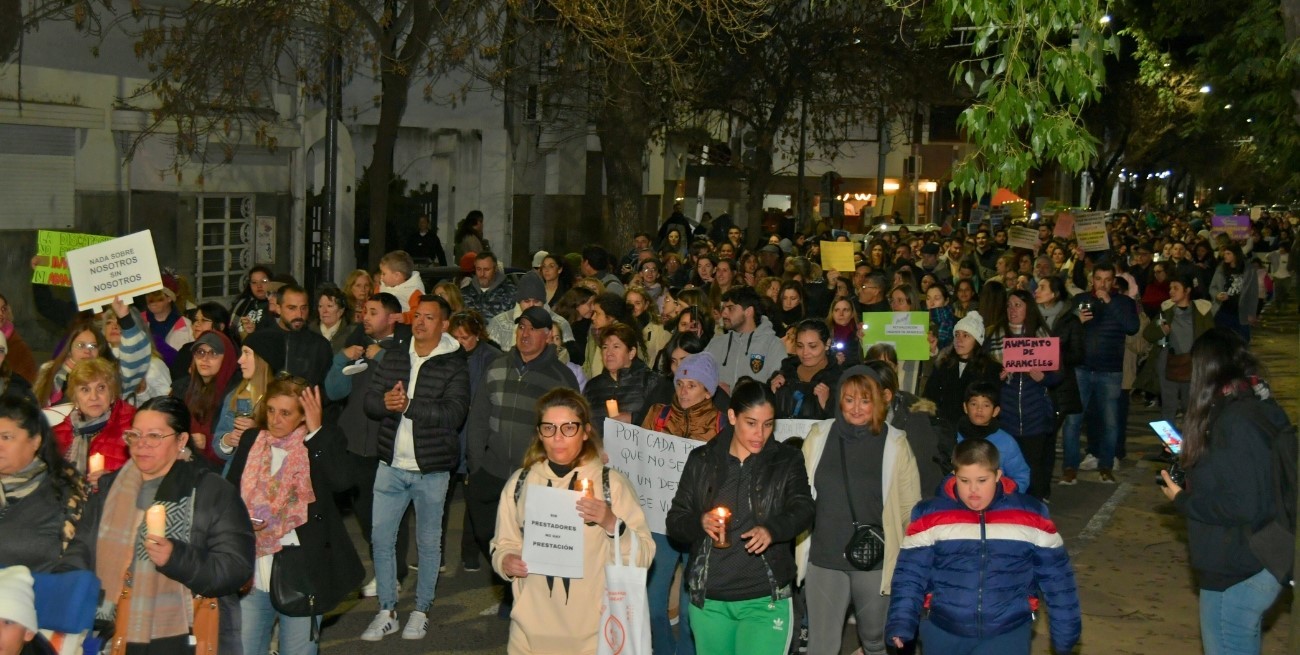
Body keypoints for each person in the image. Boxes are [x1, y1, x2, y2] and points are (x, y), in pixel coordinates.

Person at [60, 396, 255, 654]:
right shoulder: (111, 488)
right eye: (135, 435)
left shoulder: (212, 492)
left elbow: (236, 567)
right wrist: (73, 586)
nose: (141, 445)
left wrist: (178, 557)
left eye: (154, 436)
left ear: (181, 440)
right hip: (116, 632)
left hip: (188, 635)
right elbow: (82, 546)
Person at [491, 388, 654, 654]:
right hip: (529, 636)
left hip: (593, 636)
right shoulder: (521, 482)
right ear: (539, 433)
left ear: (585, 431)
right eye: (549, 428)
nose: (557, 438)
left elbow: (644, 555)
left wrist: (612, 523)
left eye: (568, 428)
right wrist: (506, 561)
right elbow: (503, 543)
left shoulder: (610, 484)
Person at [886, 439, 1082, 654]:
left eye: (982, 480)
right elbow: (910, 574)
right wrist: (901, 621)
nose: (973, 490)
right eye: (964, 480)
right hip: (943, 630)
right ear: (954, 475)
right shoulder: (930, 515)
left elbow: (1057, 579)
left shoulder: (1031, 515)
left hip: (1008, 631)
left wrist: (1066, 633)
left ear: (998, 476)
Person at [1159, 328, 1287, 654]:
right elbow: (1242, 471)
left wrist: (1183, 500)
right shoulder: (1257, 403)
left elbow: (1242, 504)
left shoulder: (1236, 421)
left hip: (1238, 569)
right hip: (1262, 556)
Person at [666, 379, 814, 655]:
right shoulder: (703, 459)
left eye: (768, 424)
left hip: (764, 598)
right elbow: (675, 521)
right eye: (751, 423)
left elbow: (804, 508)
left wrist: (773, 529)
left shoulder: (786, 460)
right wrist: (701, 522)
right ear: (732, 417)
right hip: (710, 599)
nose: (760, 433)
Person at [360, 294, 470, 641]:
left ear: (444, 324)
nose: (420, 322)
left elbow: (454, 415)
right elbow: (369, 403)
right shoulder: (395, 354)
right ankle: (386, 610)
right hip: (390, 465)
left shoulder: (454, 363)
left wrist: (409, 406)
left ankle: (421, 609)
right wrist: (385, 402)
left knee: (428, 543)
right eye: (417, 316)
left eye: (429, 317)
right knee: (381, 539)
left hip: (432, 469)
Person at [224, 378, 362, 654]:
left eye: (286, 413)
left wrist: (316, 432)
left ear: (303, 415)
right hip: (254, 564)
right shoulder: (253, 440)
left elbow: (343, 481)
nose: (275, 419)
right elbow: (229, 491)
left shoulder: (321, 442)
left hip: (303, 569)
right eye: (272, 410)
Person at [795, 367, 922, 655]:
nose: (856, 408)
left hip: (874, 562)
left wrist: (913, 565)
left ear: (879, 401)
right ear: (839, 399)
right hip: (824, 557)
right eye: (849, 399)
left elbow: (909, 511)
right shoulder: (818, 435)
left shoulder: (895, 444)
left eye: (865, 400)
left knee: (875, 640)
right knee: (821, 647)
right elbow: (798, 494)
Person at [465, 306, 580, 618]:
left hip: (533, 477)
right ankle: (510, 583)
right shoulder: (497, 366)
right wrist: (476, 466)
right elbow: (477, 418)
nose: (525, 334)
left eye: (533, 329)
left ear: (547, 336)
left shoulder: (561, 377)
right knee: (488, 533)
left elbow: (571, 429)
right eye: (521, 328)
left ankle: (521, 599)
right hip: (491, 470)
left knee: (532, 538)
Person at [323, 292, 415, 597]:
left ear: (391, 318)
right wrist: (341, 360)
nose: (365, 317)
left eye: (373, 312)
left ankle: (393, 574)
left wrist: (379, 356)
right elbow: (334, 392)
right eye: (364, 311)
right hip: (354, 446)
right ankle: (383, 567)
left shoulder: (404, 348)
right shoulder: (357, 344)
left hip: (385, 445)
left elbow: (408, 377)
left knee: (390, 514)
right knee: (365, 515)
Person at [639, 352, 724, 654]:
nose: (684, 391)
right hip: (660, 522)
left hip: (700, 527)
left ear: (708, 390)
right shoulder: (657, 416)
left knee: (692, 609)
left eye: (693, 385)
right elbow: (637, 458)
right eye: (681, 383)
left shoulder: (721, 423)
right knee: (652, 601)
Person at [1063, 264, 1139, 484]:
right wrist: (1077, 320)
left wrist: (1110, 302)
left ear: (1113, 281)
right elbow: (1064, 330)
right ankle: (1070, 467)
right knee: (1073, 420)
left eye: (1107, 279)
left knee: (1110, 422)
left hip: (1110, 371)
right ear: (1092, 280)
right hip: (1082, 369)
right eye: (1098, 279)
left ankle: (1106, 466)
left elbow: (1131, 327)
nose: (1102, 284)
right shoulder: (1080, 300)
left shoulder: (1124, 302)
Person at [0, 397, 87, 572]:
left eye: (6, 437)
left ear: (35, 441)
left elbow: (77, 562)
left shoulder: (65, 495)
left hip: (37, 594)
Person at [996, 290, 1061, 499]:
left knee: (1035, 465)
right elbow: (983, 375)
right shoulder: (997, 336)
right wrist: (997, 376)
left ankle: (1034, 506)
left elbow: (1059, 374)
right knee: (1008, 465)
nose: (1012, 310)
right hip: (1007, 415)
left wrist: (1044, 378)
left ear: (1028, 308)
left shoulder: (1042, 336)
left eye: (1018, 305)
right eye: (1009, 305)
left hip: (1035, 415)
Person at [34, 300, 149, 408]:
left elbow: (136, 357)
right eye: (80, 345)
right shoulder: (50, 374)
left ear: (100, 351)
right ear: (69, 350)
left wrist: (125, 318)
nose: (87, 351)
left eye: (93, 346)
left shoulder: (111, 377)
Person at [52, 358, 137, 481]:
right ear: (75, 398)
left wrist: (112, 480)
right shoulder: (56, 434)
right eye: (85, 390)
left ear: (112, 395)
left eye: (101, 388)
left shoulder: (133, 427)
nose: (94, 397)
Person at [1143, 275, 1213, 423]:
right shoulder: (1167, 311)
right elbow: (1148, 334)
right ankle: (1168, 445)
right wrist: (1162, 331)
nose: (1171, 291)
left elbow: (1211, 338)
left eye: (1176, 288)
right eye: (1170, 288)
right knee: (1169, 406)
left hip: (1193, 364)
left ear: (1187, 290)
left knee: (1190, 407)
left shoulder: (1201, 312)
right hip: (1168, 363)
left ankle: (1190, 443)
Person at [170, 331, 240, 466]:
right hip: (183, 462)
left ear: (227, 358)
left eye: (213, 353)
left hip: (217, 469)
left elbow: (237, 444)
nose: (205, 359)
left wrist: (207, 443)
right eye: (200, 352)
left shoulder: (236, 394)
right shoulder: (182, 388)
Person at [922, 311, 1002, 428]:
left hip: (975, 430)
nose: (959, 340)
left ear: (976, 340)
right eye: (957, 335)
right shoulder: (944, 365)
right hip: (943, 429)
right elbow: (929, 396)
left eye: (966, 335)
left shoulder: (990, 369)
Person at [243, 285, 334, 387]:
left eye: (303, 308)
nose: (299, 314)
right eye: (292, 308)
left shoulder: (320, 345)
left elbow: (327, 388)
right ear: (278, 309)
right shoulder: (259, 341)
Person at [705, 287, 788, 391]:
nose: (724, 313)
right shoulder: (716, 343)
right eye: (723, 308)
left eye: (731, 308)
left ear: (748, 311)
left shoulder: (772, 344)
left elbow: (778, 385)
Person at [584, 322, 660, 435]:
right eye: (605, 347)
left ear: (631, 353)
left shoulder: (650, 381)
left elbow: (664, 420)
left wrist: (633, 419)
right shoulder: (592, 386)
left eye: (616, 346)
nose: (609, 353)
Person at [956, 381, 1030, 492]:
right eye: (974, 404)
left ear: (995, 411)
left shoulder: (1006, 441)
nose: (979, 409)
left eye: (986, 405)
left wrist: (1004, 494)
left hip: (995, 502)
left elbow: (1021, 476)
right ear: (965, 407)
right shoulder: (952, 436)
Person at [770, 319, 842, 420]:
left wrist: (828, 405)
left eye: (812, 346)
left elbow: (848, 423)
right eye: (800, 346)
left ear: (827, 344)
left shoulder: (838, 379)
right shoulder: (785, 373)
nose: (805, 352)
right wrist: (771, 392)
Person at [1208, 243, 1259, 343]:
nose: (1225, 256)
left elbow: (1253, 293)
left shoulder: (1248, 269)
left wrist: (1252, 313)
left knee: (1242, 340)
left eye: (1228, 253)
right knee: (1222, 340)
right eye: (1224, 253)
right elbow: (1212, 287)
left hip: (1241, 312)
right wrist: (1217, 295)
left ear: (1235, 254)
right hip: (1222, 310)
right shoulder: (1221, 268)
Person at [462, 252, 517, 321]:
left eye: (486, 269)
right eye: (478, 269)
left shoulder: (511, 294)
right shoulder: (464, 294)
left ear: (495, 269)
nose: (482, 274)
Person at [376, 250, 428, 315]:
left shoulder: (413, 292)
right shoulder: (380, 287)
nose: (381, 277)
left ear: (397, 276)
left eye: (384, 273)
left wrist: (404, 318)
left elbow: (418, 313)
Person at [232, 266, 274, 337]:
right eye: (254, 282)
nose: (259, 286)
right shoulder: (243, 303)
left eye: (263, 281)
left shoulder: (276, 305)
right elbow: (232, 326)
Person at [309, 285, 352, 354]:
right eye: (320, 306)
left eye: (329, 306)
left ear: (341, 310)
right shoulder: (309, 331)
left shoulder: (351, 333)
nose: (324, 311)